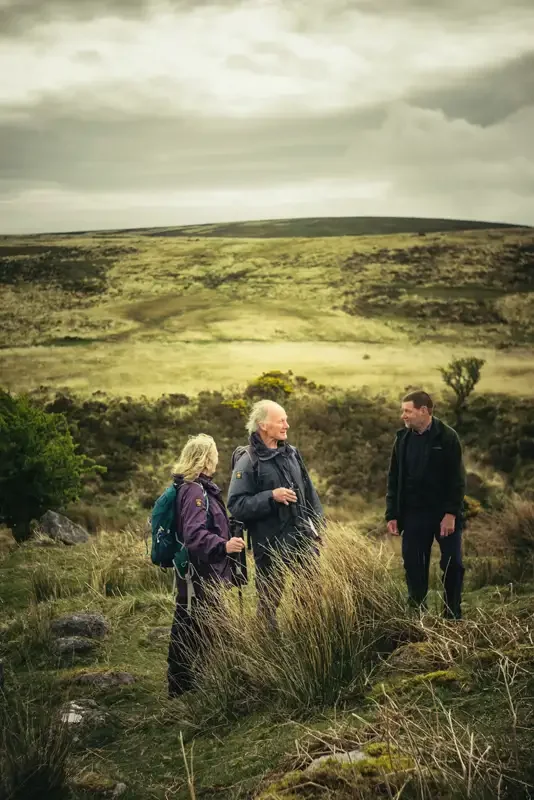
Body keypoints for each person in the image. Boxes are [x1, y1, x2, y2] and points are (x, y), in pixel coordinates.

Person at [227, 399, 324, 629]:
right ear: (263, 425)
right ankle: (267, 648)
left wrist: (319, 527)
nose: (287, 425)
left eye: (286, 420)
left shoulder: (292, 454)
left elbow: (310, 493)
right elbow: (236, 504)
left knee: (312, 594)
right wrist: (271, 496)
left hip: (301, 538)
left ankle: (306, 641)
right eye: (281, 420)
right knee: (269, 602)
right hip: (270, 544)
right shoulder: (247, 460)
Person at [167, 433, 245, 698]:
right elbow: (194, 534)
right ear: (206, 458)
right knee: (207, 627)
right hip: (200, 572)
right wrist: (224, 546)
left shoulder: (194, 488)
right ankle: (204, 685)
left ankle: (184, 687)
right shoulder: (195, 491)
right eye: (214, 453)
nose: (218, 458)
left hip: (198, 570)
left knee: (190, 625)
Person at [386, 390, 466, 619]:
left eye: (407, 411)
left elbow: (457, 479)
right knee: (413, 565)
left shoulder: (447, 437)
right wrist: (392, 514)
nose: (403, 416)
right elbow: (394, 478)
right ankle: (417, 615)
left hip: (443, 515)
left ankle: (452, 615)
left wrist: (451, 513)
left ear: (424, 411)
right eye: (403, 411)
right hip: (413, 514)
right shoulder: (402, 440)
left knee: (453, 564)